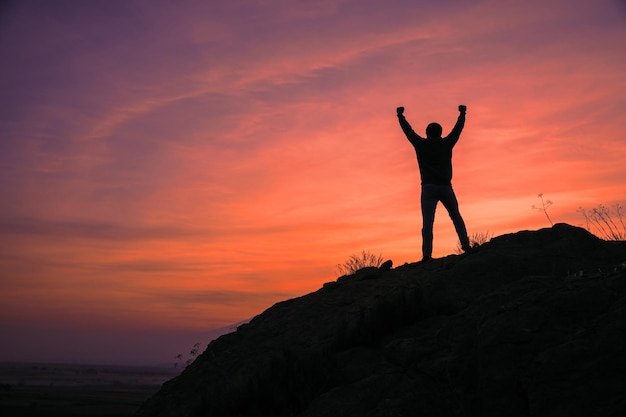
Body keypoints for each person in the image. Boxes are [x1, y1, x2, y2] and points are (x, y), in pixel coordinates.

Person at [397, 105, 472, 262]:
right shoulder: (446, 143)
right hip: (445, 186)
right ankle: (465, 245)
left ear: (427, 133)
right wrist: (462, 113)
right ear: (440, 132)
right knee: (456, 215)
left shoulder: (421, 144)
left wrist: (400, 116)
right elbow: (458, 129)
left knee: (428, 222)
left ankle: (426, 255)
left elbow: (408, 132)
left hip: (428, 187)